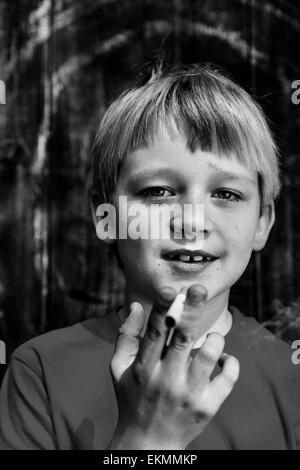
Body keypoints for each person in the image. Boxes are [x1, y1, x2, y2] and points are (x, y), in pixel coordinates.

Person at [0, 64, 299, 450]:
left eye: (226, 194)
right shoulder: (40, 371)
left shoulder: (291, 379)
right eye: (158, 192)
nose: (192, 223)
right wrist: (147, 438)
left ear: (262, 222)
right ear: (106, 216)